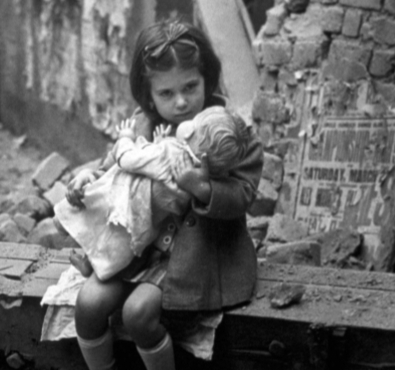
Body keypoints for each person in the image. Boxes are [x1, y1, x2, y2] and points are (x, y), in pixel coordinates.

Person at [64, 16, 263, 370]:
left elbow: (245, 192)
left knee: (138, 314)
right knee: (89, 303)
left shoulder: (228, 130)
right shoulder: (142, 123)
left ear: (206, 77)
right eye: (166, 93)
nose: (180, 102)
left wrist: (204, 189)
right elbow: (116, 164)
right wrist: (86, 179)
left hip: (195, 254)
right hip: (137, 245)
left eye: (190, 87)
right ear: (148, 94)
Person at [55, 105, 253, 282]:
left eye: (194, 123)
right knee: (114, 247)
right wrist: (159, 143)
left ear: (192, 135)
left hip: (123, 204)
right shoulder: (197, 175)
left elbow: (127, 159)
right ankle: (90, 265)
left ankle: (62, 228)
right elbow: (164, 180)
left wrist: (125, 137)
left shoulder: (169, 155)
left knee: (80, 220)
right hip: (145, 227)